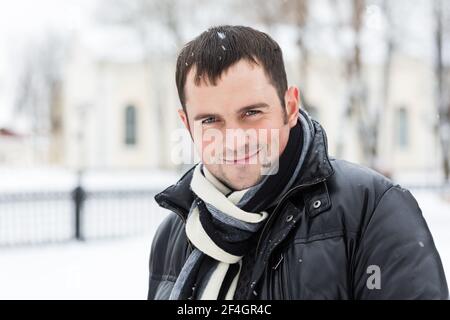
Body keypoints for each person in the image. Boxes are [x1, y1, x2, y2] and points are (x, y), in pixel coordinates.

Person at [147, 25, 448, 300]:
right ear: (187, 126)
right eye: (211, 120)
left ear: (290, 107)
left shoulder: (371, 210)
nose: (234, 139)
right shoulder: (173, 236)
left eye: (251, 113)